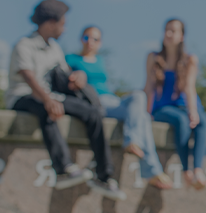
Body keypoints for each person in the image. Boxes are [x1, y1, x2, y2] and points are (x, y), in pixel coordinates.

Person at [5, 0, 125, 200]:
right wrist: (47, 99)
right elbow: (28, 76)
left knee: (93, 113)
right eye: (62, 23)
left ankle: (104, 176)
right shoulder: (24, 45)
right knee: (47, 110)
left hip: (52, 96)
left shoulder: (54, 49)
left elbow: (63, 75)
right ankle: (63, 169)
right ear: (51, 22)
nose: (65, 28)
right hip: (23, 95)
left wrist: (78, 78)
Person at [66, 26, 174, 190]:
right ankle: (151, 169)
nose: (91, 42)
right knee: (143, 117)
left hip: (111, 100)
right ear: (81, 39)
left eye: (95, 39)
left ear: (100, 43)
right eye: (87, 38)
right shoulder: (71, 59)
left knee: (139, 98)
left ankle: (134, 143)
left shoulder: (100, 61)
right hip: (94, 102)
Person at [145, 18, 206, 190]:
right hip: (163, 108)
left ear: (181, 36)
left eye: (173, 31)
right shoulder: (154, 58)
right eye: (167, 30)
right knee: (182, 122)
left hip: (185, 104)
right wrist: (146, 112)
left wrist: (193, 110)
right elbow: (149, 87)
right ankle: (186, 171)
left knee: (202, 121)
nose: (168, 34)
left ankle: (198, 169)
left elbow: (190, 87)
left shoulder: (190, 59)